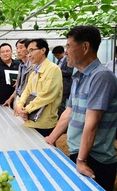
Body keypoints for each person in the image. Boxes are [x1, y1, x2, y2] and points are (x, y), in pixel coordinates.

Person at [45, 25, 117, 191]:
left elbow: (92, 122)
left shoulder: (101, 76)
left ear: (85, 47)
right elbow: (69, 112)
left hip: (95, 158)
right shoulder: (79, 76)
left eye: (69, 46)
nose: (66, 51)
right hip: (79, 152)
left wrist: (82, 160)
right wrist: (51, 138)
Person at [15, 38, 63, 137]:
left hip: (44, 123)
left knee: (45, 149)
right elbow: (26, 92)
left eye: (32, 50)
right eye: (28, 52)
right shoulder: (34, 73)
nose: (29, 55)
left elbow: (47, 95)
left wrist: (26, 109)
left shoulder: (53, 69)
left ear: (43, 50)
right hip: (30, 119)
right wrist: (19, 105)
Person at [3, 39, 35, 114]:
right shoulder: (21, 66)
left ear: (28, 49)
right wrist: (10, 99)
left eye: (21, 48)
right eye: (17, 48)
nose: (18, 51)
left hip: (26, 102)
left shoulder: (33, 67)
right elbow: (19, 87)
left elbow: (30, 88)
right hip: (18, 99)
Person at [52, 45, 74, 117]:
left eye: (56, 55)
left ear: (61, 53)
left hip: (65, 86)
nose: (56, 57)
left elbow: (69, 72)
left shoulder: (68, 60)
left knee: (62, 104)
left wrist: (58, 71)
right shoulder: (59, 61)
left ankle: (62, 118)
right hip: (59, 85)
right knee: (59, 103)